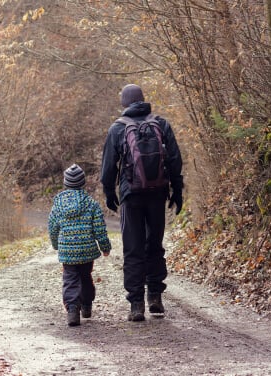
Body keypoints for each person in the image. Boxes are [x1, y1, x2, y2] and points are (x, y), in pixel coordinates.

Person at [101, 84, 183, 322]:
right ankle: (155, 296)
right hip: (158, 193)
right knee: (154, 245)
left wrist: (109, 192)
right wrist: (177, 191)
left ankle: (136, 304)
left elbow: (108, 166)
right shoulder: (161, 124)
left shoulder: (118, 128)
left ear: (124, 102)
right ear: (143, 100)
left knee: (133, 249)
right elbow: (175, 161)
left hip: (131, 196)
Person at [48, 164, 111, 326]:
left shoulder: (58, 205)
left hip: (67, 251)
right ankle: (87, 305)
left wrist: (56, 244)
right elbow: (99, 228)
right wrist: (105, 246)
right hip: (87, 250)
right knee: (85, 276)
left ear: (65, 183)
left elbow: (53, 228)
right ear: (82, 183)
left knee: (70, 279)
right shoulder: (91, 204)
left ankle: (72, 310)